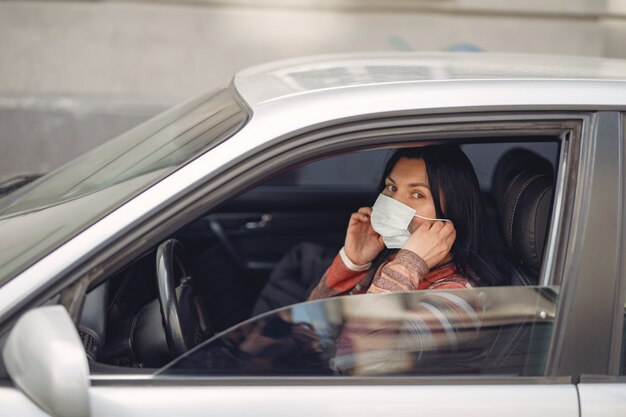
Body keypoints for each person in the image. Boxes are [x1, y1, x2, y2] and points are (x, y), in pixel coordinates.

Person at [309, 145, 510, 299]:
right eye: (391, 187)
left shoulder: (457, 294)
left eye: (417, 194)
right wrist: (353, 262)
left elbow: (366, 340)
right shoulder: (394, 259)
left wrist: (410, 264)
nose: (394, 202)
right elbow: (315, 326)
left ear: (453, 210)